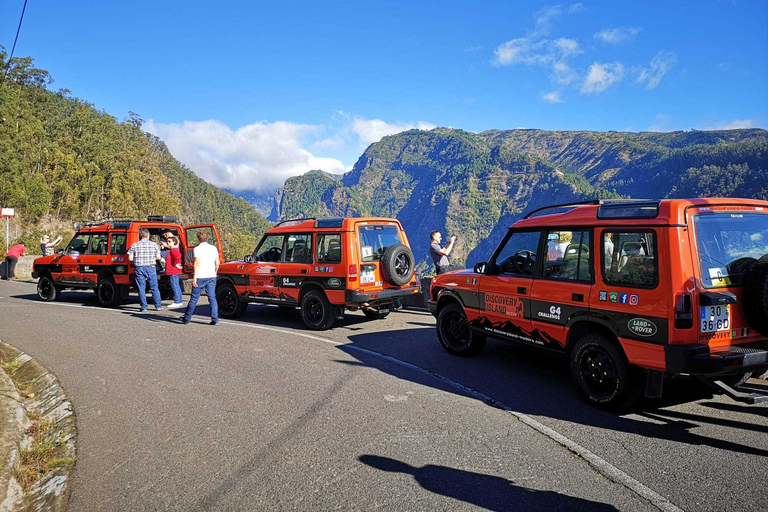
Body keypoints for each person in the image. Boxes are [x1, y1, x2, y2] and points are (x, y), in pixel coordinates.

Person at [181, 230, 220, 325]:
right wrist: (214, 272)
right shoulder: (213, 248)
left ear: (198, 239)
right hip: (211, 276)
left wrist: (194, 277)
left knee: (194, 298)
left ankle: (187, 318)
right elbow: (217, 262)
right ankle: (215, 319)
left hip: (200, 276)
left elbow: (196, 264)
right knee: (212, 298)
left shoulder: (197, 249)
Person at [128, 228, 163, 312]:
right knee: (154, 287)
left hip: (139, 267)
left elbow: (130, 258)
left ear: (140, 236)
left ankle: (144, 307)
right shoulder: (154, 245)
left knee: (141, 288)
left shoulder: (135, 245)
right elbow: (158, 257)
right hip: (150, 267)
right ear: (148, 235)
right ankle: (158, 306)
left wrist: (137, 259)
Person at [165, 236, 184, 309]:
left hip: (173, 270)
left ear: (174, 242)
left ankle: (177, 301)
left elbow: (177, 257)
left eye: (169, 241)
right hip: (173, 270)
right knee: (176, 285)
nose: (167, 242)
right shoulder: (174, 249)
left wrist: (177, 265)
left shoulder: (173, 250)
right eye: (167, 241)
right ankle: (179, 300)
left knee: (174, 285)